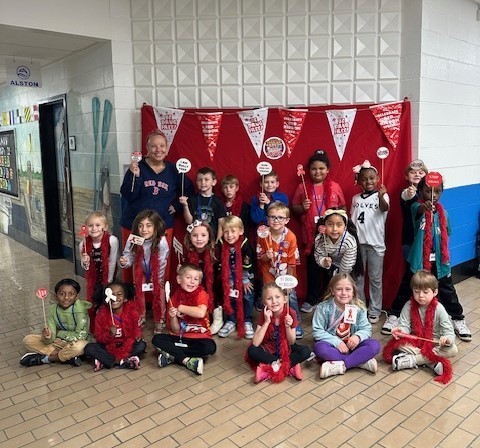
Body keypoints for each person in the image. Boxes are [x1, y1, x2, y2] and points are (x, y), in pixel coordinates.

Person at [119, 129, 193, 280]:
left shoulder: (174, 170)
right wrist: (137, 176)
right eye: (154, 146)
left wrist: (177, 206)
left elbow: (189, 190)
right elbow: (128, 194)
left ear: (167, 149)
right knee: (131, 264)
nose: (158, 150)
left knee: (160, 265)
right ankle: (132, 298)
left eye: (162, 146)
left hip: (161, 226)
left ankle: (158, 299)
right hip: (134, 225)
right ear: (147, 148)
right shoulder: (137, 167)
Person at [406, 176, 471, 341]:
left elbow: (446, 235)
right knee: (409, 287)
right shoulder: (416, 207)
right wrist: (424, 207)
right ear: (421, 192)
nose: (433, 195)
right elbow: (418, 210)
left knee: (447, 290)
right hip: (420, 260)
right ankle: (397, 317)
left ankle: (457, 318)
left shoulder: (444, 213)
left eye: (437, 191)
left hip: (440, 261)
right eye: (428, 191)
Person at [292, 150, 346, 313]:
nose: (318, 172)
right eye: (314, 169)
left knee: (331, 268)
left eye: (321, 168)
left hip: (332, 236)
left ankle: (330, 298)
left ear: (328, 169)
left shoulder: (335, 187)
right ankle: (312, 298)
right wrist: (303, 207)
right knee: (313, 269)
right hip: (310, 236)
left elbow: (343, 208)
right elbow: (294, 208)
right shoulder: (302, 187)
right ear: (308, 170)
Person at [383, 270, 458, 384]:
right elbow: (405, 326)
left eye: (425, 292)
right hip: (415, 341)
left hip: (435, 342)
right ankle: (432, 363)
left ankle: (412, 360)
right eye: (416, 291)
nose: (420, 295)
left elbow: (448, 331)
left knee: (453, 349)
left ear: (435, 292)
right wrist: (400, 331)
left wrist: (447, 339)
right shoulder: (408, 305)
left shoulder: (439, 308)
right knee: (398, 343)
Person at [382, 160, 428, 334]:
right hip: (410, 242)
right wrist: (409, 194)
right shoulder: (407, 193)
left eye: (421, 172)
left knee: (430, 279)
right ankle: (395, 314)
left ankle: (427, 315)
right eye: (413, 172)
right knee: (410, 276)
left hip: (429, 244)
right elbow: (406, 198)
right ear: (406, 176)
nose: (417, 174)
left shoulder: (430, 194)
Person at [312, 273, 380, 378]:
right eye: (339, 289)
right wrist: (336, 342)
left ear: (353, 292)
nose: (344, 293)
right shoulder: (323, 308)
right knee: (320, 348)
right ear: (332, 291)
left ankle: (341, 365)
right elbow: (317, 331)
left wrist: (357, 336)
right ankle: (360, 361)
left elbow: (366, 329)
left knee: (374, 345)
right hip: (333, 346)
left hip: (353, 345)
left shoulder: (359, 308)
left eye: (348, 289)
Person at [152, 264, 216, 375]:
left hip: (199, 338)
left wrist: (180, 308)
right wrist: (173, 316)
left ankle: (171, 356)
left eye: (196, 279)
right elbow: (175, 330)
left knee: (210, 347)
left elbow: (201, 313)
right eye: (188, 277)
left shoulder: (202, 294)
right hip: (179, 338)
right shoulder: (174, 298)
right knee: (157, 340)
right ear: (179, 279)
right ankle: (187, 361)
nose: (192, 281)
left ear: (199, 282)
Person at [256, 201, 304, 338]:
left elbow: (292, 262)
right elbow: (260, 257)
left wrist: (289, 281)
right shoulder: (262, 235)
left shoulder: (291, 237)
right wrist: (266, 256)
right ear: (267, 218)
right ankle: (268, 323)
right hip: (269, 274)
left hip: (285, 274)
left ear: (287, 220)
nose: (276, 220)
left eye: (280, 217)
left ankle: (296, 323)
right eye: (272, 217)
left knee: (290, 298)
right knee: (270, 298)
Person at [246, 282, 310, 383]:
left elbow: (291, 342)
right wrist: (266, 322)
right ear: (264, 303)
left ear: (285, 299)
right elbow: (256, 343)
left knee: (305, 351)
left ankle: (269, 368)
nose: (274, 301)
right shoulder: (264, 314)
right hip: (268, 349)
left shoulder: (291, 313)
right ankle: (288, 366)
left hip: (286, 349)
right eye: (269, 298)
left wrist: (288, 327)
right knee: (252, 351)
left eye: (277, 297)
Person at [350, 161, 389, 324]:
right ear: (359, 181)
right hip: (358, 244)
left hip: (375, 245)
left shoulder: (383, 196)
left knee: (375, 278)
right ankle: (361, 307)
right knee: (358, 278)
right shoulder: (355, 198)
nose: (369, 182)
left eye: (372, 178)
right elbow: (353, 220)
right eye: (364, 179)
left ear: (377, 178)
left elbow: (384, 208)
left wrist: (381, 196)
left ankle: (375, 309)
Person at [20, 279, 91, 367]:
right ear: (55, 296)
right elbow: (51, 339)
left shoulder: (81, 311)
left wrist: (58, 333)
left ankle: (48, 359)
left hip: (76, 342)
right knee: (28, 340)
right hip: (58, 342)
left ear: (77, 296)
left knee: (80, 347)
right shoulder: (53, 310)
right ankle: (67, 357)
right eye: (62, 294)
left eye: (71, 294)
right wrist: (48, 336)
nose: (66, 298)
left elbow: (81, 336)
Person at [119, 209, 169, 333]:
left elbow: (163, 261)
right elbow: (129, 255)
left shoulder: (161, 242)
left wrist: (157, 277)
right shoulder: (134, 239)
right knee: (138, 292)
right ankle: (140, 316)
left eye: (148, 225)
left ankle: (160, 319)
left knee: (159, 292)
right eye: (140, 226)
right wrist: (125, 262)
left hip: (156, 272)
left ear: (156, 226)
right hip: (139, 269)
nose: (144, 229)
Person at [84, 281, 146, 371]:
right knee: (89, 348)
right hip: (107, 346)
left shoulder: (132, 312)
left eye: (119, 294)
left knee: (141, 345)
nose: (115, 298)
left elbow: (136, 330)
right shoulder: (101, 315)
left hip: (126, 345)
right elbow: (99, 338)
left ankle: (106, 361)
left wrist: (137, 335)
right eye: (111, 294)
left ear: (125, 298)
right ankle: (123, 362)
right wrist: (109, 334)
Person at [79, 211, 119, 332]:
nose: (94, 228)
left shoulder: (112, 240)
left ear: (104, 227)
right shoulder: (83, 244)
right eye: (90, 225)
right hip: (93, 280)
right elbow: (85, 268)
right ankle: (95, 328)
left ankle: (109, 326)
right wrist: (85, 261)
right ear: (86, 228)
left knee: (108, 303)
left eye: (97, 225)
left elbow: (112, 261)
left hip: (109, 278)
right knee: (93, 303)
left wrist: (109, 282)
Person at [217, 215, 255, 339]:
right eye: (226, 232)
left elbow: (247, 262)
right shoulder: (221, 243)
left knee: (247, 296)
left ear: (241, 231)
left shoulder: (245, 243)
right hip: (228, 277)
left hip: (245, 276)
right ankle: (231, 320)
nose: (229, 235)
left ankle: (247, 321)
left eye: (233, 231)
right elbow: (220, 263)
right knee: (229, 297)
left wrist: (244, 279)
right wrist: (227, 280)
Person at [183, 220, 223, 334]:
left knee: (215, 290)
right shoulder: (188, 252)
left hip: (213, 282)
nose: (199, 239)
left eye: (203, 235)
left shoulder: (214, 251)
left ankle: (218, 317)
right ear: (189, 237)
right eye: (195, 235)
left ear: (209, 237)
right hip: (196, 281)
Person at [314, 209, 363, 290]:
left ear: (345, 226)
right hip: (330, 267)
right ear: (324, 225)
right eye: (330, 224)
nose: (334, 229)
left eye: (339, 225)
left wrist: (339, 280)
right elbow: (318, 255)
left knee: (344, 287)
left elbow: (346, 268)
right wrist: (323, 261)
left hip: (347, 267)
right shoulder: (320, 239)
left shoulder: (349, 241)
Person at [180, 166, 226, 242]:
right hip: (195, 240)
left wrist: (218, 242)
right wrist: (185, 205)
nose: (203, 183)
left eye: (206, 179)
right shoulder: (192, 199)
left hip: (212, 240)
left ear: (214, 182)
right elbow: (189, 221)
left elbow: (221, 224)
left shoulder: (218, 201)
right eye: (199, 180)